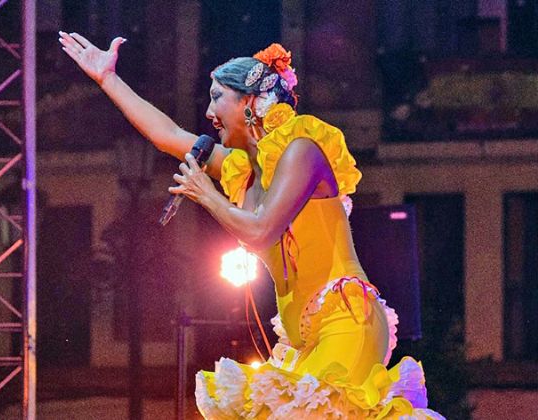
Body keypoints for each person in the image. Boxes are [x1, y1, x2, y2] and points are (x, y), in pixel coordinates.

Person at [59, 32, 444, 419]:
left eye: (217, 97)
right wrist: (107, 78)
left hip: (345, 319)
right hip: (301, 338)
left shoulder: (302, 150)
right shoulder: (243, 172)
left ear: (249, 103)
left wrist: (206, 195)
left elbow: (261, 230)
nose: (208, 112)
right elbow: (169, 136)